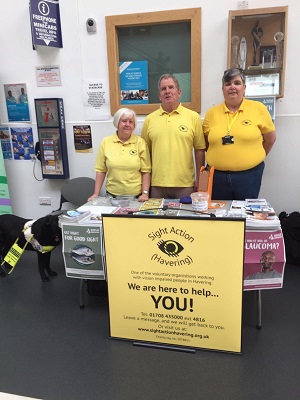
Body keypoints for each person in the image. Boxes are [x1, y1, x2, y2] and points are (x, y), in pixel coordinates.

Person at [203, 68, 276, 200]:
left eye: (237, 83)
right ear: (222, 89)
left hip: (249, 176)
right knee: (219, 216)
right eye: (227, 84)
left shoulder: (258, 109)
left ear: (244, 87)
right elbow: (207, 143)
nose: (232, 87)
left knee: (245, 216)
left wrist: (253, 157)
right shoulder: (211, 113)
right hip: (217, 178)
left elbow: (270, 139)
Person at [141, 74, 205, 199]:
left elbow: (200, 151)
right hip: (157, 186)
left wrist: (199, 180)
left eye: (171, 87)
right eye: (163, 89)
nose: (167, 91)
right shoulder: (150, 119)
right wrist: (145, 187)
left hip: (184, 185)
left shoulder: (193, 117)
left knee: (184, 218)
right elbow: (144, 155)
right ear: (159, 95)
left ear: (179, 92)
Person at [88, 108, 151, 202]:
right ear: (117, 123)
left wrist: (145, 193)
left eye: (131, 122)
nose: (127, 124)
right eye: (124, 121)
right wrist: (96, 194)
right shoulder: (106, 142)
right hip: (112, 195)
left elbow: (146, 171)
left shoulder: (140, 143)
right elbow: (101, 170)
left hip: (136, 197)